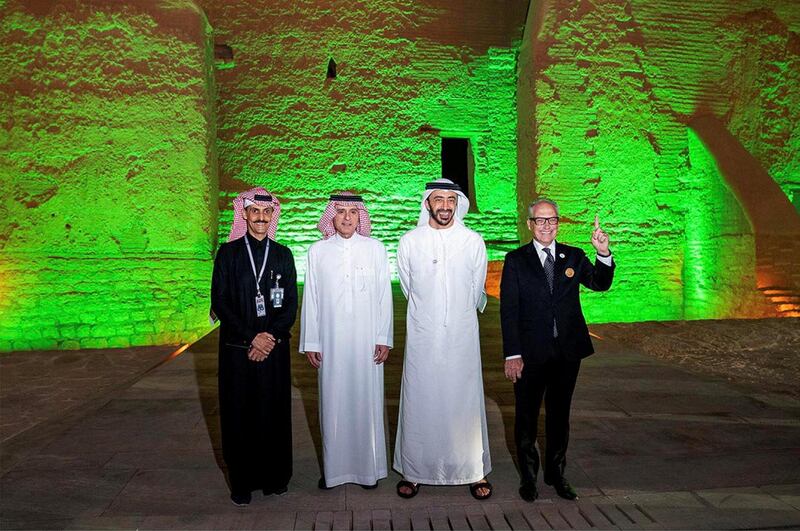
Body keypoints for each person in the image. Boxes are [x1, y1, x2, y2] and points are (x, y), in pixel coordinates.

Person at [500, 198, 615, 502]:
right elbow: (509, 311)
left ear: (558, 223)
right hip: (529, 354)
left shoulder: (574, 257)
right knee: (526, 417)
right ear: (530, 224)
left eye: (552, 220)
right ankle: (528, 477)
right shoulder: (516, 260)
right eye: (540, 220)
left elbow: (600, 283)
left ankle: (556, 473)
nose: (547, 225)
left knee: (559, 415)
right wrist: (512, 353)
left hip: (567, 352)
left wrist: (603, 252)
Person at [393, 178, 493, 500]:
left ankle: (472, 471)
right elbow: (409, 289)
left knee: (464, 402)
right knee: (421, 399)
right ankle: (415, 471)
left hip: (462, 336)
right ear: (428, 203)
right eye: (439, 199)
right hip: (423, 334)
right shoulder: (409, 241)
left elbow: (476, 288)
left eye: (451, 200)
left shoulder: (473, 241)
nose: (445, 206)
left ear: (457, 203)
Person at [210, 188, 298, 506]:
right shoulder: (228, 253)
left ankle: (275, 478)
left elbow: (289, 306)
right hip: (238, 349)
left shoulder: (283, 255)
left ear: (272, 215)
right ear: (244, 214)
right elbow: (220, 301)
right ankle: (242, 482)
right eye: (255, 212)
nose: (261, 218)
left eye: (266, 213)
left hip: (273, 351)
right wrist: (252, 337)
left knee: (273, 412)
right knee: (239, 414)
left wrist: (269, 337)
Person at [299, 192, 393, 490]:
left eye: (353, 211)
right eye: (340, 211)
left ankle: (368, 471)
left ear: (361, 216)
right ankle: (334, 471)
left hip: (367, 341)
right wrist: (312, 341)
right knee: (333, 401)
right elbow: (311, 299)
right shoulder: (317, 251)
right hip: (331, 341)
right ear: (332, 216)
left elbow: (383, 297)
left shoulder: (376, 249)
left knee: (366, 401)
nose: (347, 217)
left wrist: (383, 337)